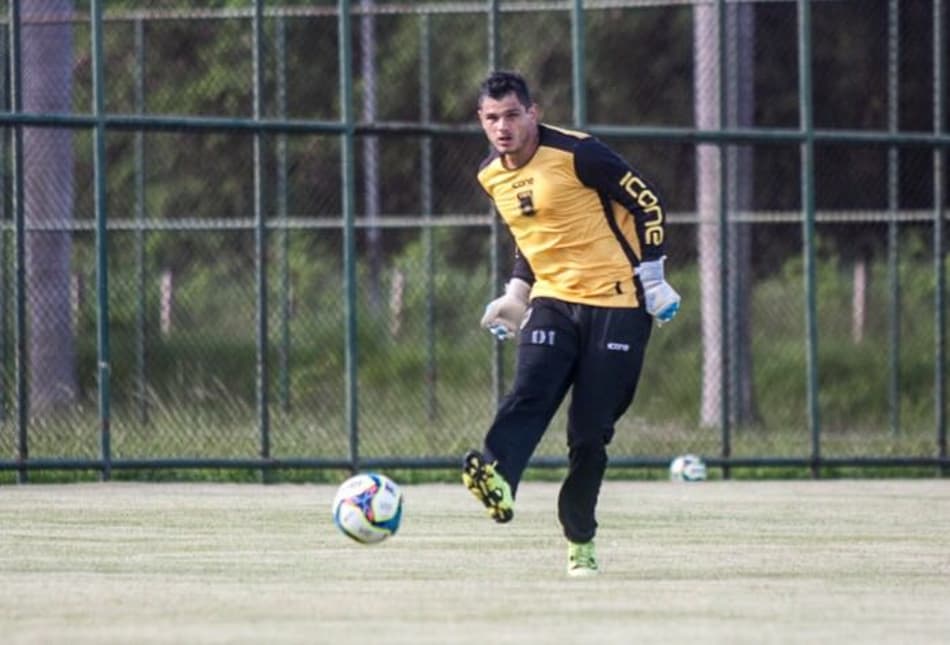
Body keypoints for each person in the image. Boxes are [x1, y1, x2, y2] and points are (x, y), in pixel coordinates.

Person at [461, 70, 681, 577]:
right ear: (481, 121)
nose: (503, 128)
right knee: (531, 387)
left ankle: (579, 538)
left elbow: (646, 201)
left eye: (513, 115)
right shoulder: (490, 174)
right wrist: (517, 293)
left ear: (533, 113)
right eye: (492, 118)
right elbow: (529, 234)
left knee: (588, 433)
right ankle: (496, 475)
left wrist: (653, 278)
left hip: (619, 303)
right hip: (554, 299)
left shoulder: (580, 155)